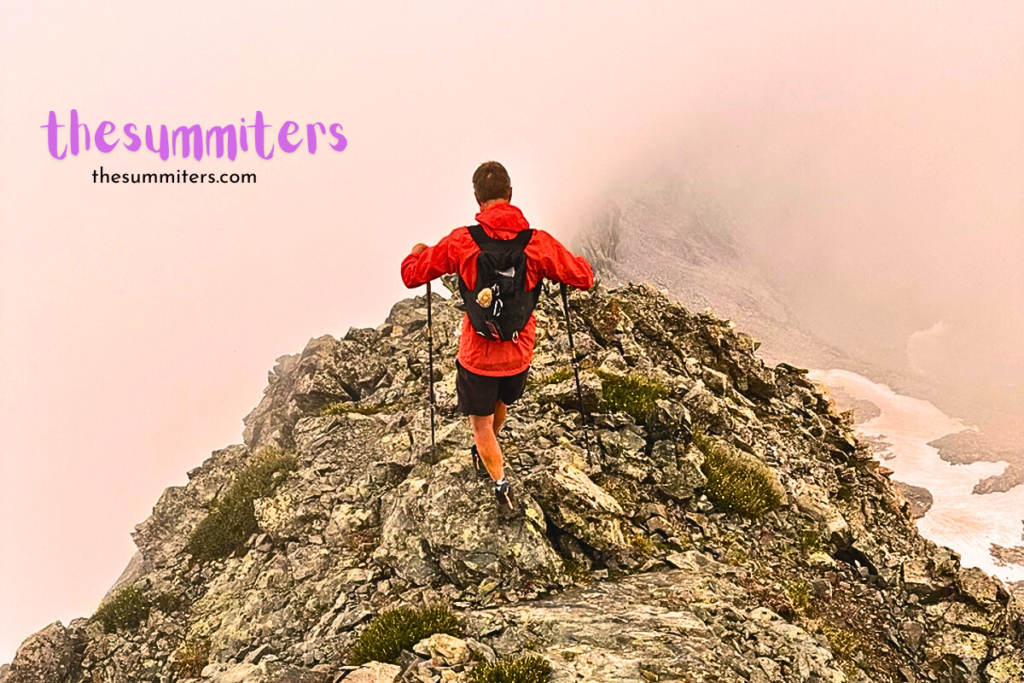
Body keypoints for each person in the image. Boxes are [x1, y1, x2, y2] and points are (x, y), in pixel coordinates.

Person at [401, 161, 594, 512]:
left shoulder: (462, 241)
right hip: (518, 351)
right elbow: (583, 276)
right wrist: (575, 261)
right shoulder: (537, 243)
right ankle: (489, 453)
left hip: (478, 354)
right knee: (500, 406)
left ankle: (500, 484)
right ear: (510, 194)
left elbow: (413, 276)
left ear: (478, 199)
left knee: (480, 423)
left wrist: (415, 254)